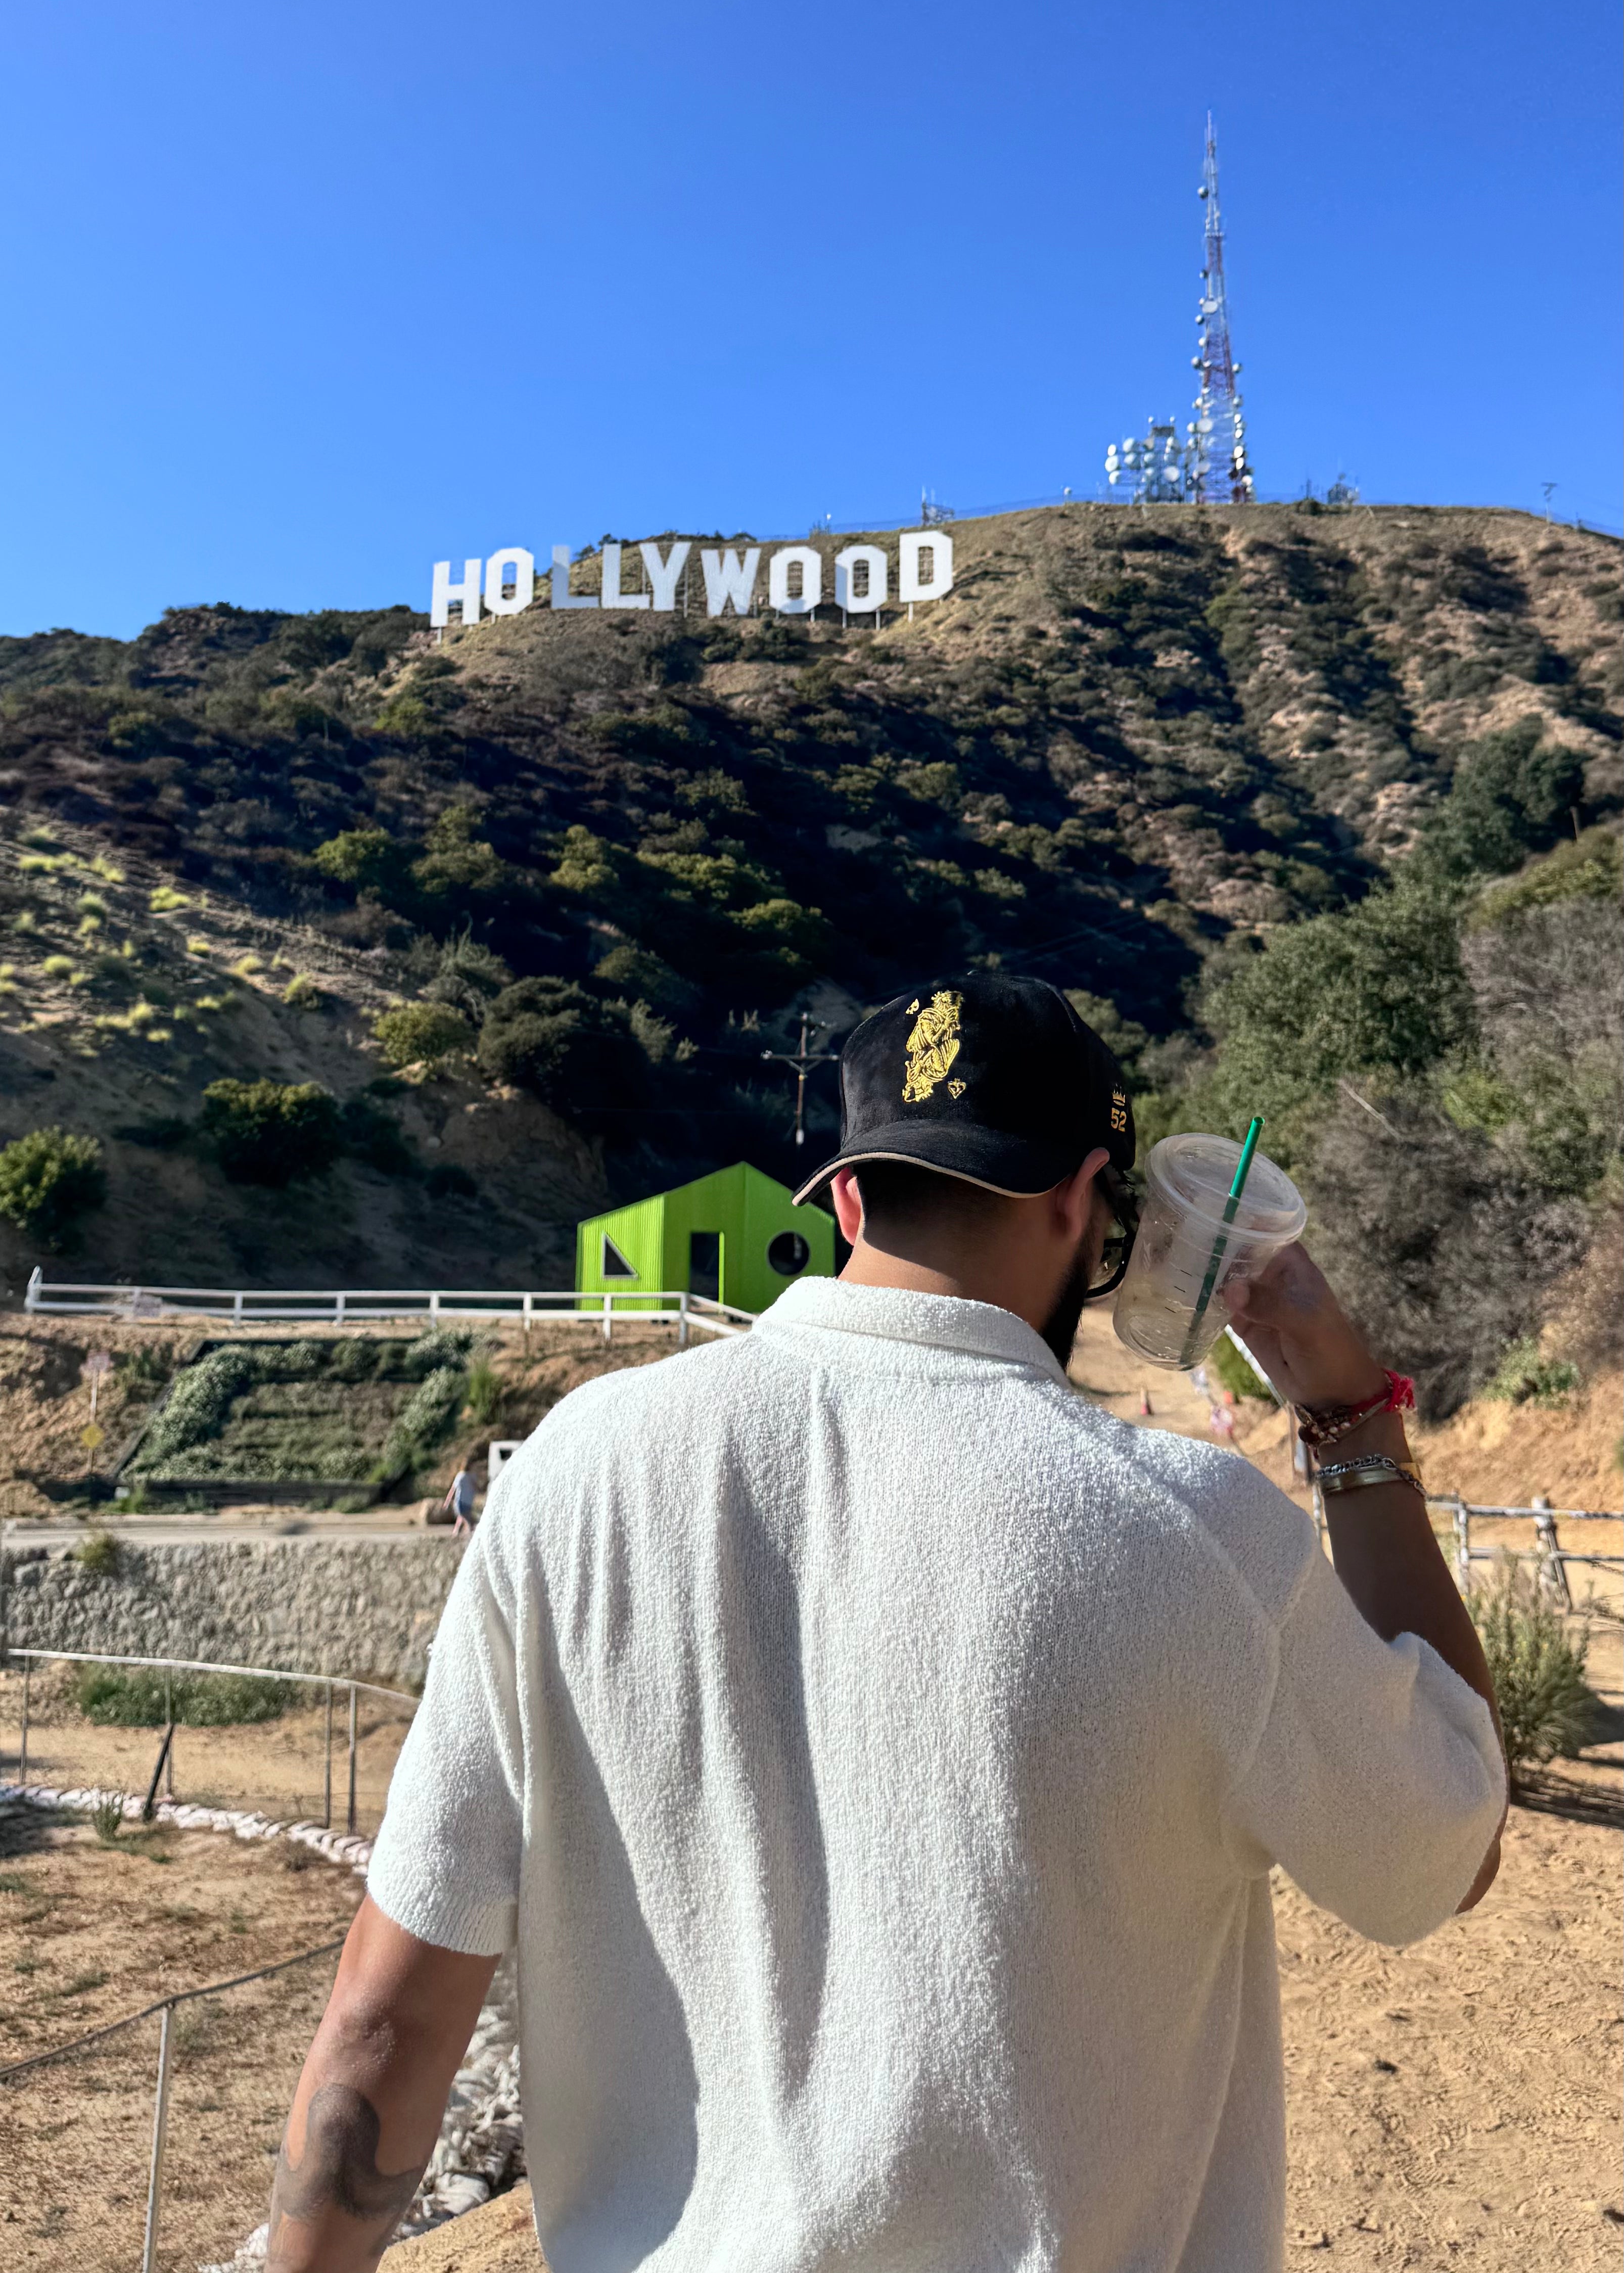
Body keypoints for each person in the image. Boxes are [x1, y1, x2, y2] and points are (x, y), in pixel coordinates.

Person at [264, 974, 1504, 2273]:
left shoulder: (573, 1472)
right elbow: (1448, 1837)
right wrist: (1354, 1418)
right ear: (1084, 1197)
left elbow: (381, 2031)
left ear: (848, 1197)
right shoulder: (1197, 1532)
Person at [442, 1464, 477, 1537]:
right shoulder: (469, 1476)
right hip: (465, 1503)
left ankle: (456, 1535)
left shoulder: (461, 1476)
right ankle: (469, 1536)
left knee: (461, 1519)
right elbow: (476, 1488)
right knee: (470, 1522)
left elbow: (452, 1490)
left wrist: (447, 1502)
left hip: (462, 1503)